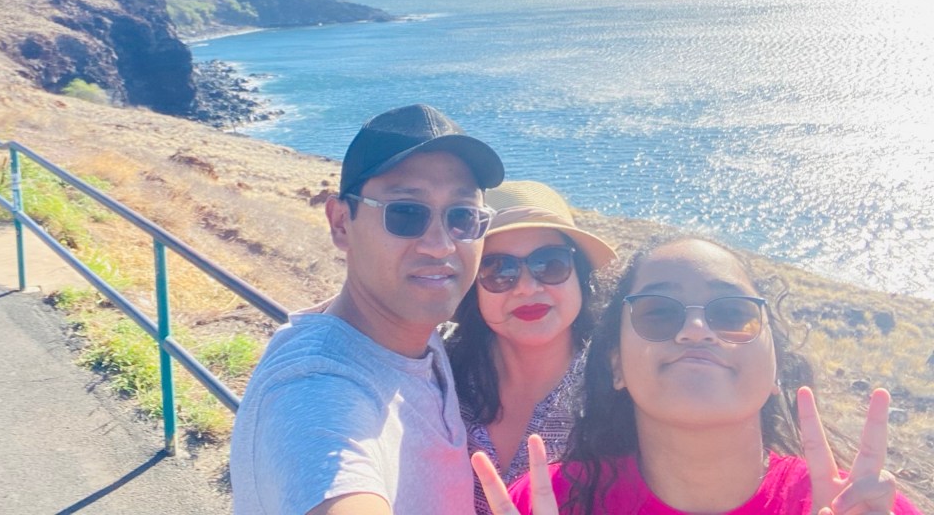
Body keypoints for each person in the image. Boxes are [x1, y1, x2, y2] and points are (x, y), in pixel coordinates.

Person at [475, 236, 921, 515]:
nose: (695, 330)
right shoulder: (545, 503)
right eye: (657, 313)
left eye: (732, 314)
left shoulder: (862, 506)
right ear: (616, 365)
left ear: (776, 369)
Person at [230, 103, 505, 515]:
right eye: (406, 213)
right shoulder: (313, 391)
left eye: (462, 217)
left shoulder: (413, 337)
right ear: (341, 223)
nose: (441, 245)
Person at [446, 180, 617, 514]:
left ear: (581, 275)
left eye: (550, 264)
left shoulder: (620, 385)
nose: (526, 287)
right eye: (498, 270)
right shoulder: (437, 368)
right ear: (472, 287)